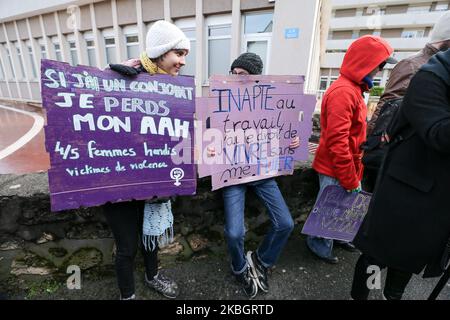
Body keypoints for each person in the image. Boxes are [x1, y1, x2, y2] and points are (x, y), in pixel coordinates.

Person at [351, 48, 450, 300]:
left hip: (432, 198)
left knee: (406, 258)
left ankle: (391, 295)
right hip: (403, 192)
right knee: (377, 256)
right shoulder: (430, 75)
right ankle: (366, 295)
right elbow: (438, 133)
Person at [104, 20, 190, 300]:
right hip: (120, 182)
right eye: (179, 54)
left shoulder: (170, 86)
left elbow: (178, 131)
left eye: (185, 55)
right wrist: (110, 80)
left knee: (149, 237)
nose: (182, 61)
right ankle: (126, 295)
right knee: (127, 246)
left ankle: (152, 276)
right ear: (161, 53)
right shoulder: (122, 77)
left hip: (153, 179)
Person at [208, 52, 299, 298]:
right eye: (234, 73)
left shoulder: (268, 103)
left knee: (286, 223)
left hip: (262, 173)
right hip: (232, 175)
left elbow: (284, 131)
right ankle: (239, 268)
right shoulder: (219, 102)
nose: (238, 78)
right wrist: (210, 145)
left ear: (256, 78)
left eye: (244, 75)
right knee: (235, 232)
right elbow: (208, 136)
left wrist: (292, 142)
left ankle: (262, 261)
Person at [307, 35, 396, 264]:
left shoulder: (353, 88)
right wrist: (349, 178)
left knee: (341, 207)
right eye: (378, 66)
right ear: (365, 63)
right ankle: (319, 245)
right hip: (335, 166)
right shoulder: (344, 92)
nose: (379, 71)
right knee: (329, 209)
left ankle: (336, 238)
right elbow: (338, 141)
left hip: (345, 164)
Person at [364, 10, 450, 191]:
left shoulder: (429, 66)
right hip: (392, 156)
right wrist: (372, 146)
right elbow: (387, 107)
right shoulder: (414, 65)